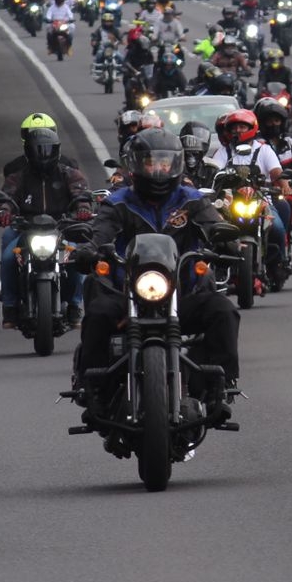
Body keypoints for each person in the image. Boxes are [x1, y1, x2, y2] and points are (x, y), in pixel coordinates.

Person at [72, 129, 242, 417]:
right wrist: (88, 249)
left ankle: (219, 386)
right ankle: (93, 388)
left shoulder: (191, 200)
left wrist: (227, 240)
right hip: (129, 297)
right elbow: (100, 233)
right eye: (151, 163)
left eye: (165, 163)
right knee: (99, 312)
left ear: (176, 164)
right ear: (136, 165)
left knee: (223, 310)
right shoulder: (118, 202)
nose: (159, 170)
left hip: (184, 293)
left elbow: (213, 225)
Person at [0, 115, 89, 329]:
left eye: (47, 149)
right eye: (38, 149)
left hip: (61, 228)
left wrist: (83, 209)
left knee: (77, 258)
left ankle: (76, 304)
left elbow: (81, 194)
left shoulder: (70, 173)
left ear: (56, 150)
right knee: (8, 258)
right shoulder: (18, 176)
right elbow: (8, 197)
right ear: (28, 150)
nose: (43, 154)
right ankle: (9, 307)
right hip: (28, 229)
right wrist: (4, 210)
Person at [208, 109, 291, 270]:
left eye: (242, 127)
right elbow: (214, 173)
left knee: (277, 228)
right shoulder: (224, 152)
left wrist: (285, 186)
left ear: (251, 128)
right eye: (234, 128)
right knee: (216, 228)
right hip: (230, 202)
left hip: (261, 200)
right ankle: (218, 266)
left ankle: (277, 263)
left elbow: (276, 173)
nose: (238, 131)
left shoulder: (264, 150)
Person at [253, 97, 292, 272]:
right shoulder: (255, 144)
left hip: (291, 190)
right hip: (261, 191)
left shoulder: (291, 141)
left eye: (277, 120)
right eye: (268, 120)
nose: (273, 124)